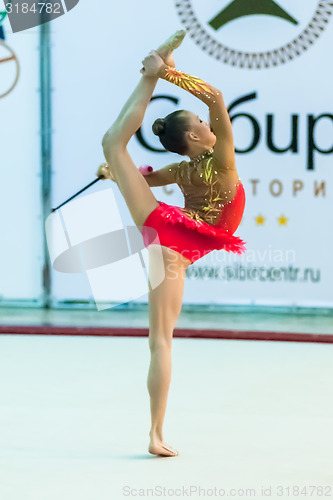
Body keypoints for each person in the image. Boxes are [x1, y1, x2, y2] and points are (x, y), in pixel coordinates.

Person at [98, 30, 246, 457]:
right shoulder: (221, 161)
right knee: (161, 340)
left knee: (112, 145)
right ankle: (155, 436)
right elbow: (216, 96)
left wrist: (113, 173)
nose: (207, 122)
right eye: (199, 123)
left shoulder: (183, 169)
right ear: (196, 139)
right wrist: (171, 76)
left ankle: (147, 75)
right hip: (174, 244)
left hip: (162, 228)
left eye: (202, 120)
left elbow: (143, 179)